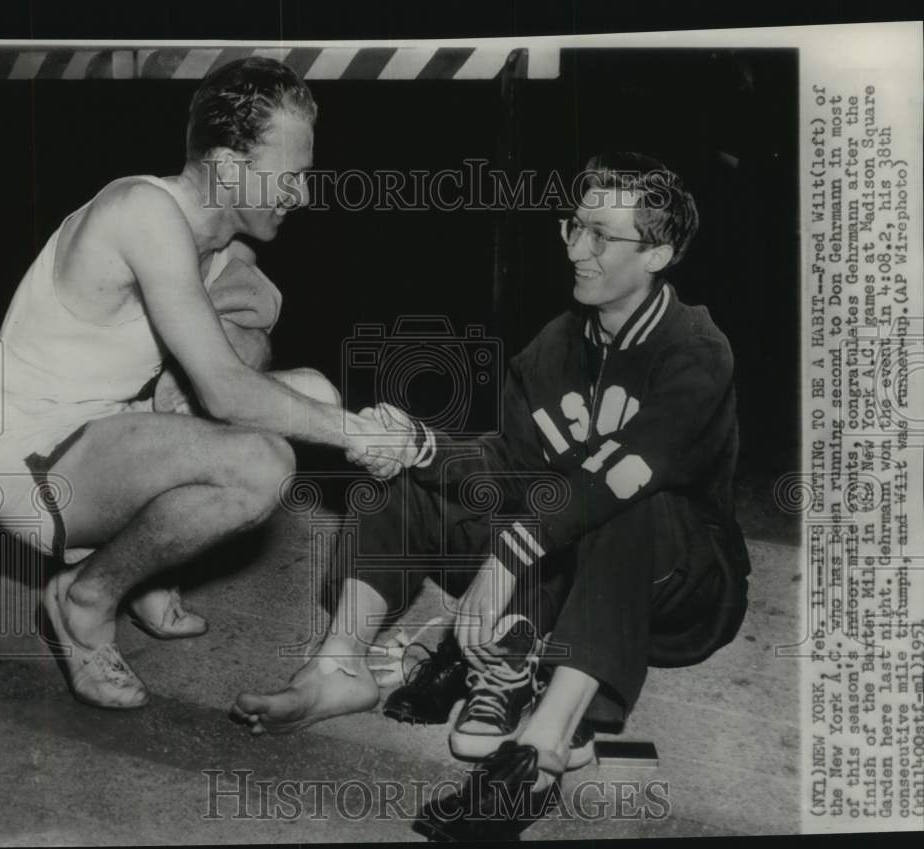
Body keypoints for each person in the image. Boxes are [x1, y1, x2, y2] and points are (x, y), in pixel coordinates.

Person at [232, 152, 751, 840]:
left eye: (602, 235)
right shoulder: (555, 346)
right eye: (573, 226)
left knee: (623, 500)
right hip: (571, 567)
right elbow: (507, 463)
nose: (576, 248)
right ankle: (340, 665)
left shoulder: (696, 348)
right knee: (400, 477)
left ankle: (542, 750)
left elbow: (625, 476)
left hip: (682, 583)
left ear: (658, 251)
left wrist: (510, 555)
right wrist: (420, 445)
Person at [0, 57, 415, 711]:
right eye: (289, 176)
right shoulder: (143, 211)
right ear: (233, 168)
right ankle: (86, 597)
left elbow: (243, 347)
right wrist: (358, 433)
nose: (302, 194)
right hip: (35, 464)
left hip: (110, 434)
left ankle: (144, 562)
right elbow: (228, 392)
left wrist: (261, 341)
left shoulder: (220, 248)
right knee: (260, 464)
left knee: (313, 389)